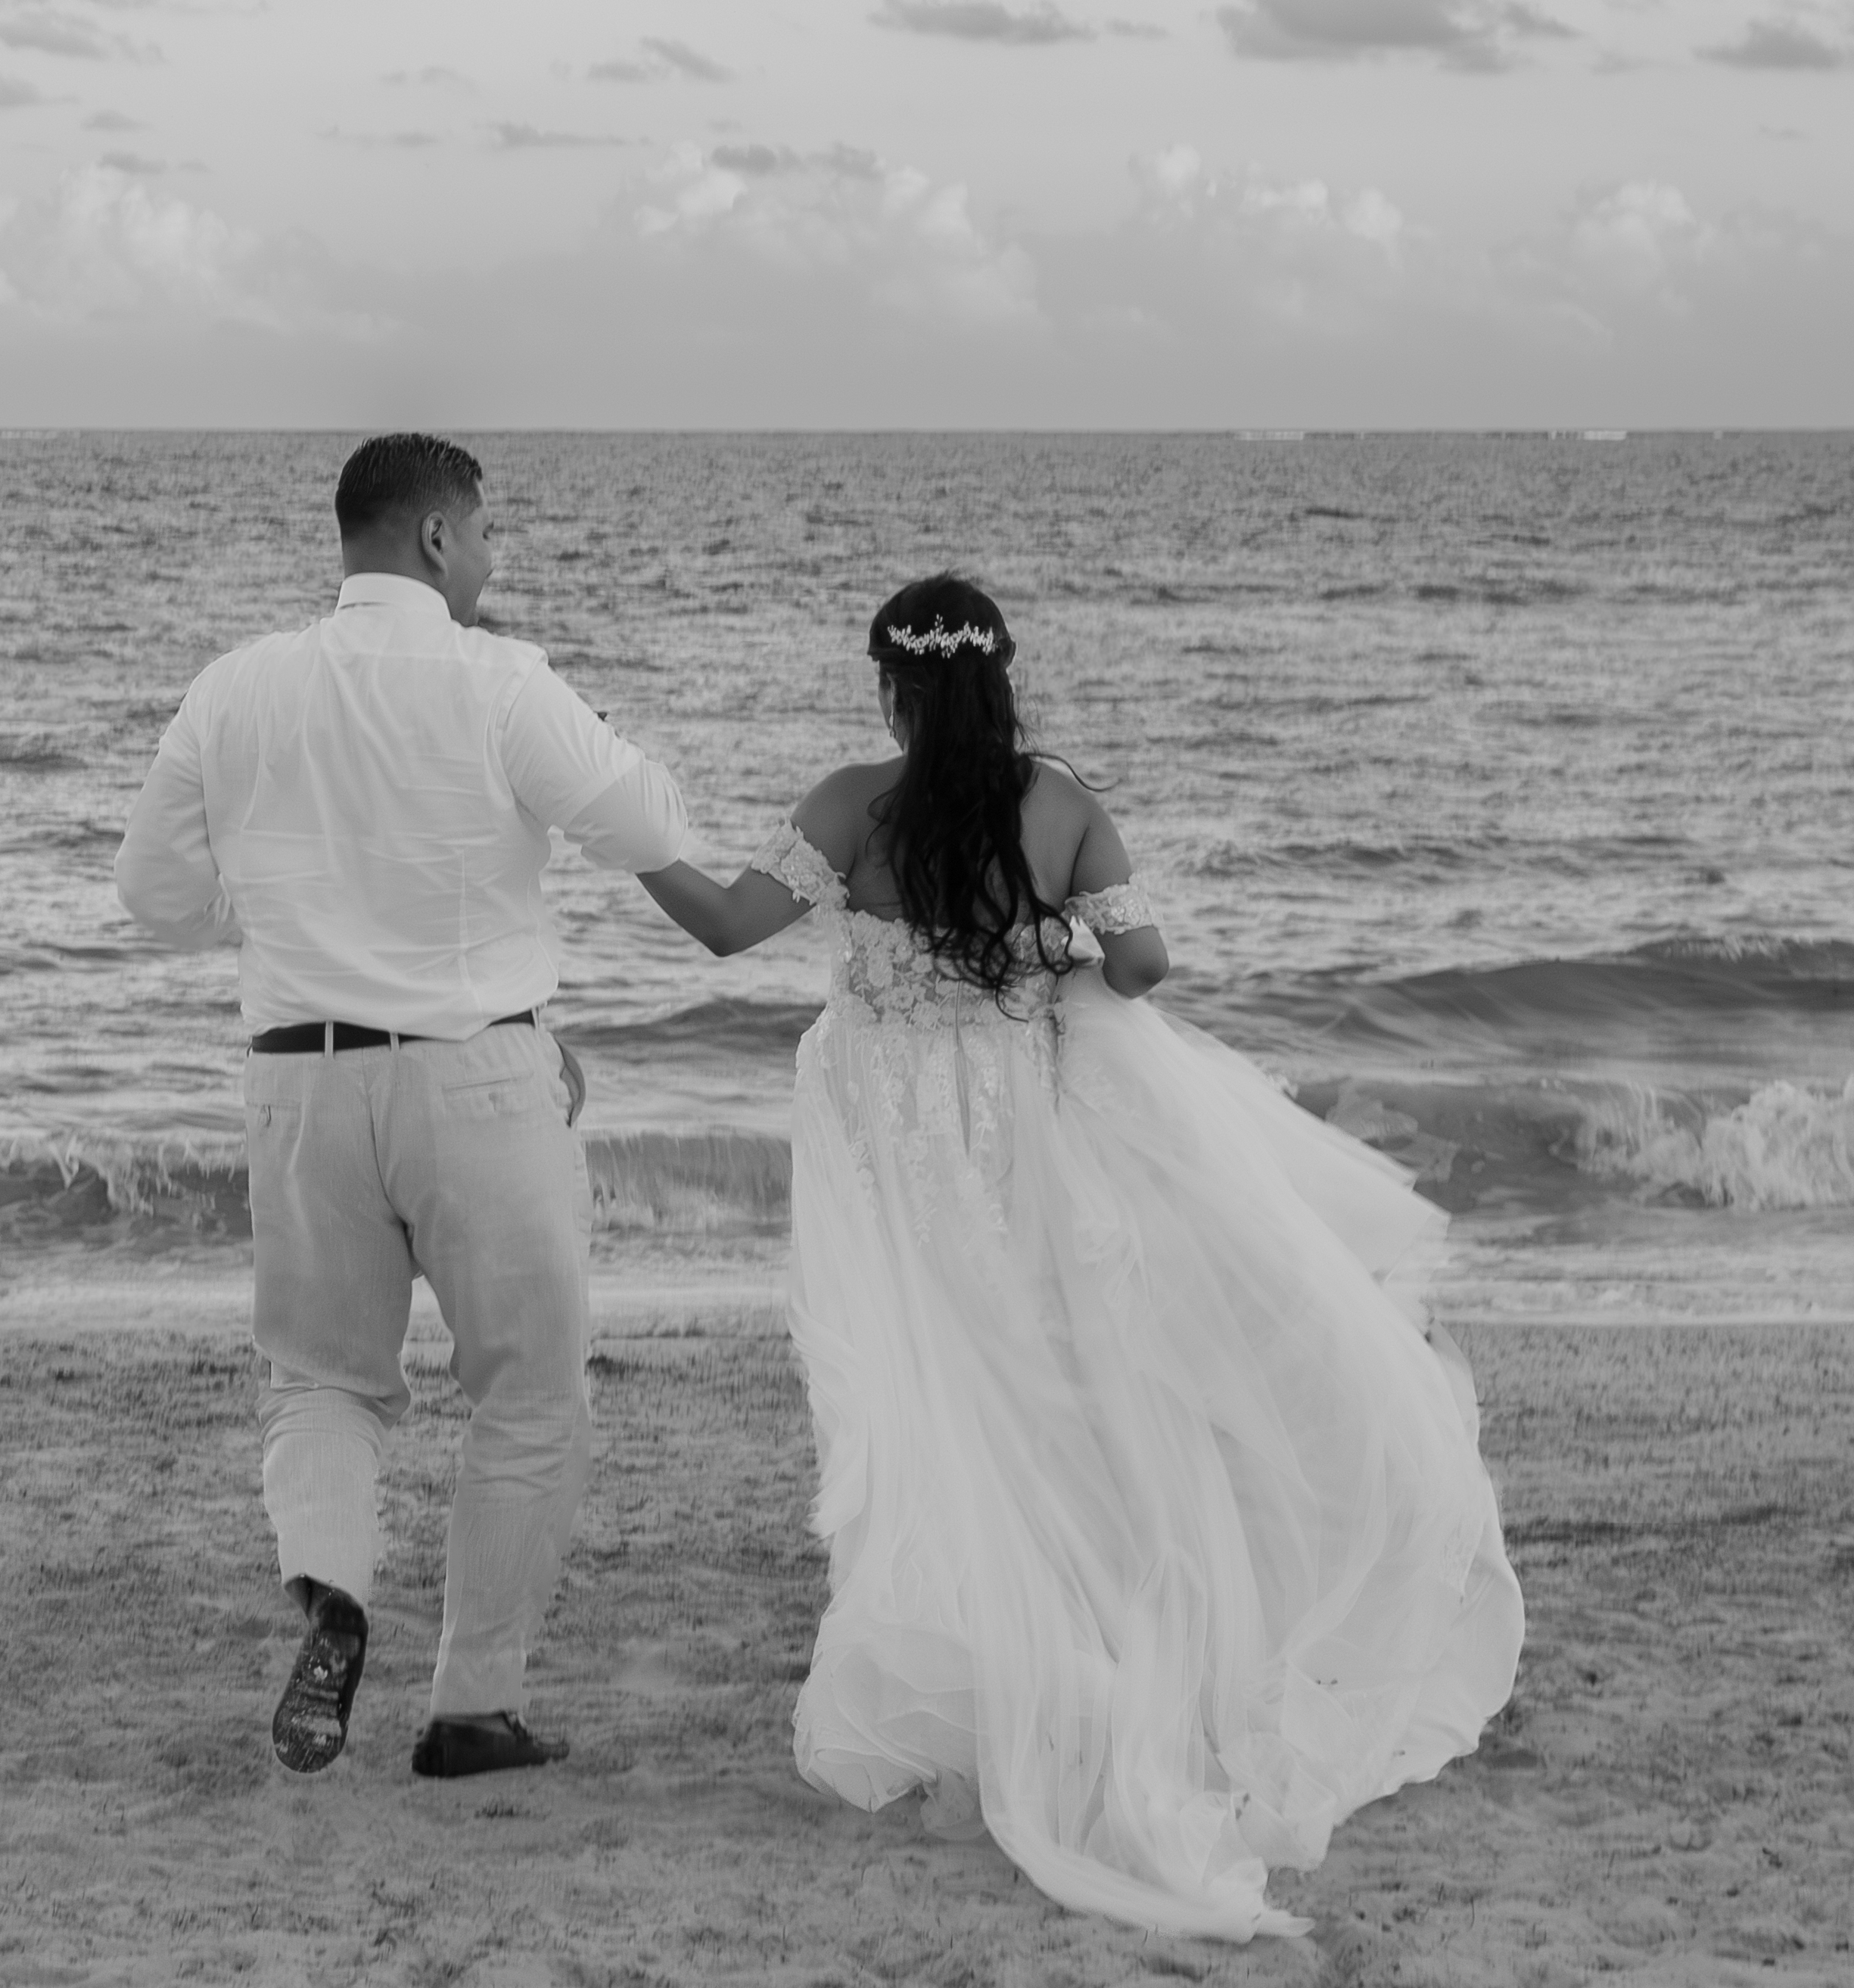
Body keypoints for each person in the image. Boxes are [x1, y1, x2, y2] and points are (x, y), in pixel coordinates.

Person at [635, 574, 1523, 1940]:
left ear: (893, 684)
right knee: (1045, 1373)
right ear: (1001, 676)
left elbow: (723, 924)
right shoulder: (1059, 802)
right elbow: (1145, 966)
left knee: (934, 1389)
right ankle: (1092, 1655)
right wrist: (1040, 938)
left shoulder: (843, 803)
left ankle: (982, 1669)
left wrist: (621, 827)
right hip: (1014, 1124)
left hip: (888, 1131)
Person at [114, 434, 692, 1780]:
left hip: (299, 1074)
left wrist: (281, 921)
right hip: (479, 1074)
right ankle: (472, 1707)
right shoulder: (497, 678)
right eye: (485, 536)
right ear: (436, 538)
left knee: (319, 1381)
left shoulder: (233, 685)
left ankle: (332, 1590)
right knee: (528, 1393)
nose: (492, 564)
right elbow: (648, 822)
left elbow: (149, 896)